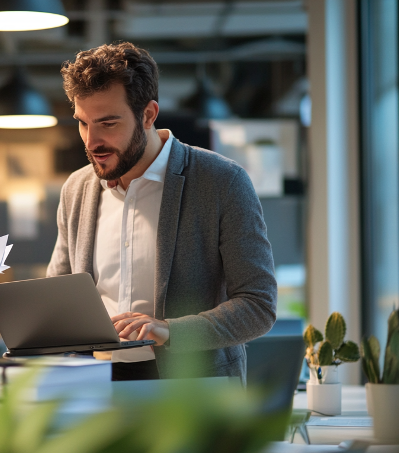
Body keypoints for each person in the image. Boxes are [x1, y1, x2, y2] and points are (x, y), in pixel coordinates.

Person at [47, 42, 277, 382]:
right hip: (94, 383)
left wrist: (170, 330)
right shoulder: (77, 189)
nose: (91, 142)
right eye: (83, 123)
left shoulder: (221, 181)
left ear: (148, 115)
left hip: (192, 388)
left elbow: (258, 305)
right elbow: (59, 293)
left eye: (108, 123)